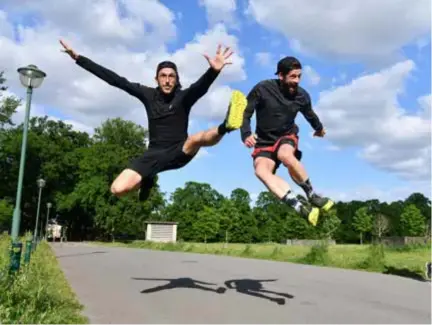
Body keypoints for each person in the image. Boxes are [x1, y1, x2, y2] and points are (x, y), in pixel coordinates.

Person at [59, 39, 247, 201]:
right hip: (154, 154)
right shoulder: (147, 95)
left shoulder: (183, 97)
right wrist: (78, 59)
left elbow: (201, 87)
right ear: (156, 79)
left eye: (171, 76)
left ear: (176, 79)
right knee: (117, 189)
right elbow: (116, 80)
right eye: (163, 76)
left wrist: (213, 71)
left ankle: (226, 125)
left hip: (179, 150)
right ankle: (147, 179)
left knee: (196, 139)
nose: (167, 80)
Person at [240, 56, 334, 226]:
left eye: (299, 76)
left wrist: (319, 128)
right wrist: (246, 133)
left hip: (286, 135)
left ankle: (312, 195)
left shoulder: (302, 96)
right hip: (264, 141)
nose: (296, 81)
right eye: (293, 76)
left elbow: (309, 114)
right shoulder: (262, 89)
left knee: (285, 155)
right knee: (261, 171)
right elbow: (246, 112)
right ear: (281, 76)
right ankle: (300, 208)